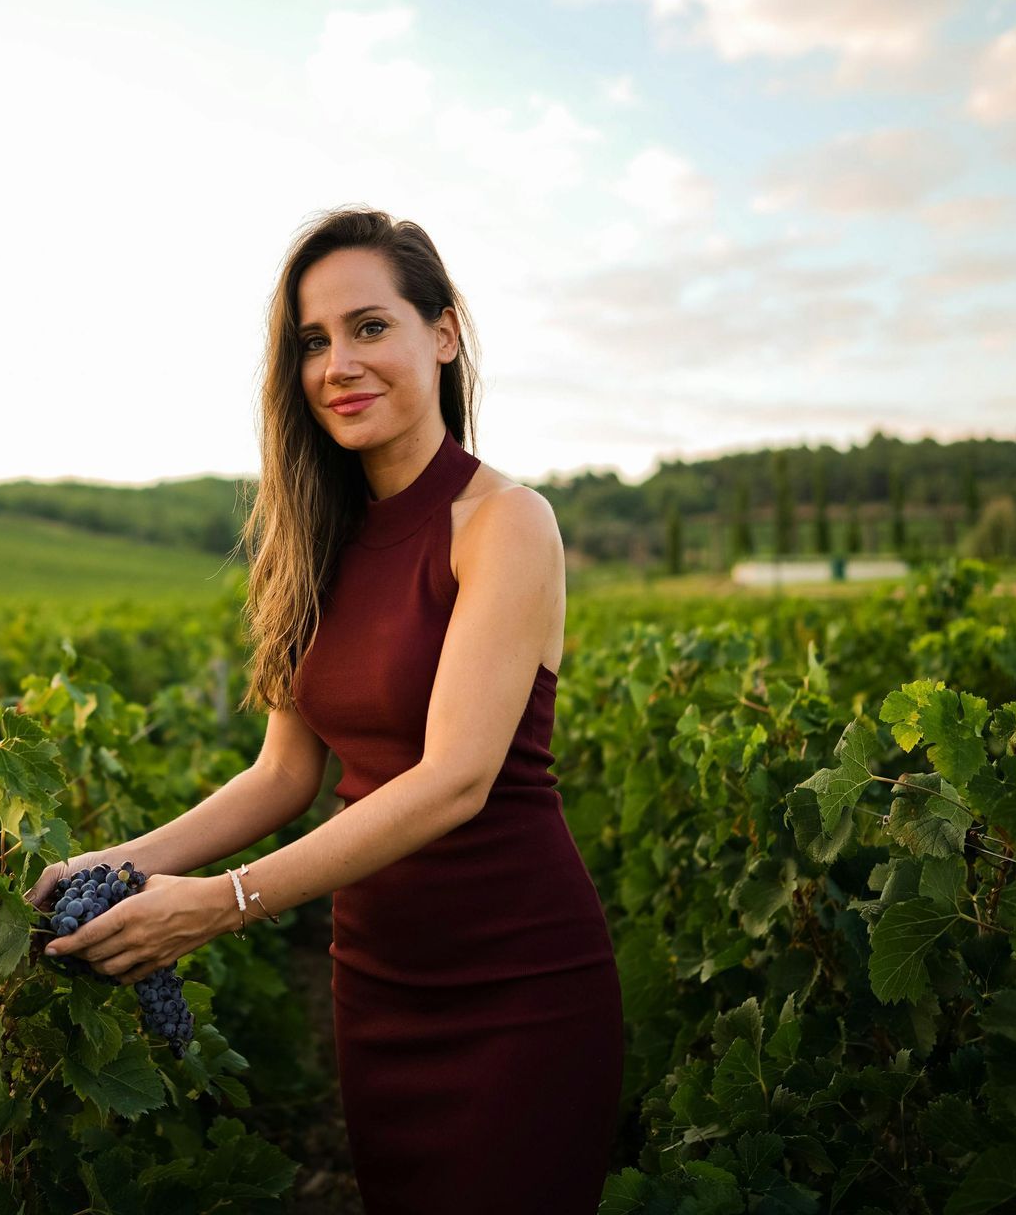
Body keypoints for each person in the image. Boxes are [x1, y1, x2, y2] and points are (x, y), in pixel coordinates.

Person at [30, 206, 625, 1212]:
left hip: (519, 983)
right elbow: (283, 775)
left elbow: (455, 780)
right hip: (378, 979)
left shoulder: (505, 522)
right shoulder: (309, 546)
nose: (338, 363)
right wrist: (120, 863)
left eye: (369, 326)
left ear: (442, 333)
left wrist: (221, 902)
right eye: (313, 341)